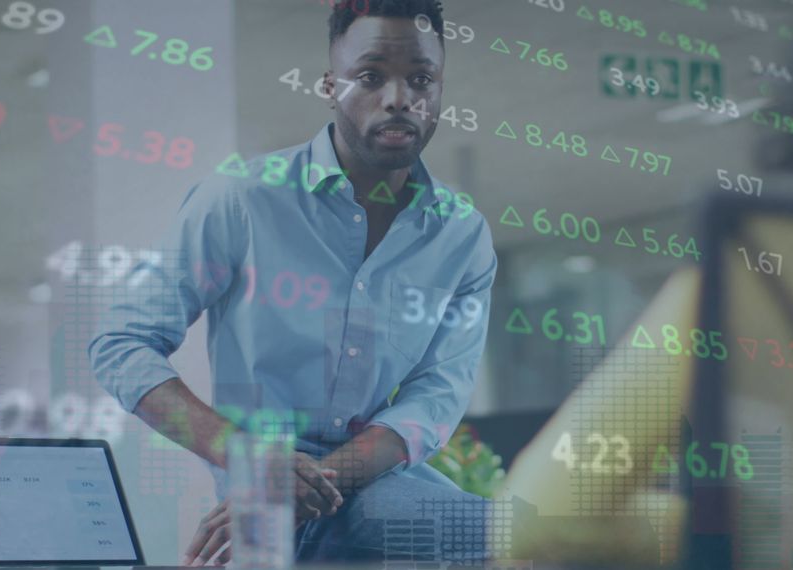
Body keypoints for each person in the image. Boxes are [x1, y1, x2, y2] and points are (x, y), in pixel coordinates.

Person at [88, 0, 497, 564]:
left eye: (421, 78)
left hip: (379, 480)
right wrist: (255, 464)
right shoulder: (241, 199)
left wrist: (319, 481)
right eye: (371, 76)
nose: (400, 98)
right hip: (266, 497)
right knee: (508, 532)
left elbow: (436, 395)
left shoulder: (463, 235)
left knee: (517, 534)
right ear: (331, 86)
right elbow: (121, 344)